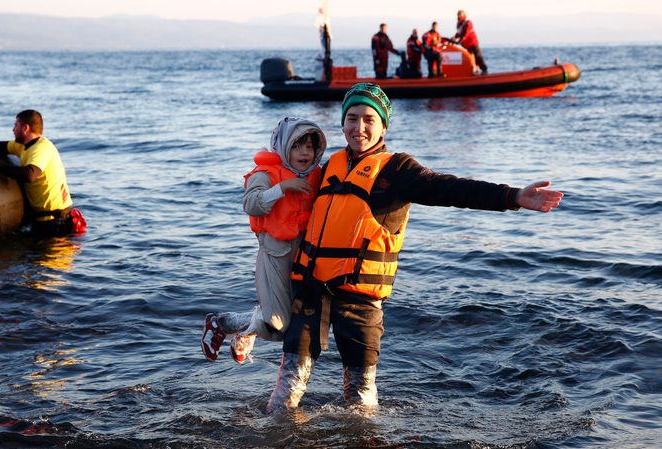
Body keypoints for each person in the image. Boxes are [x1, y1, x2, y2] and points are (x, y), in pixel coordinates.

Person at [266, 83, 563, 412]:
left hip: (360, 298)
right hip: (311, 291)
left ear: (383, 126)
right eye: (351, 118)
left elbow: (451, 189)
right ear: (342, 123)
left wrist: (512, 197)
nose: (359, 127)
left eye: (368, 119)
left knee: (359, 397)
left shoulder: (398, 170)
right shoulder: (326, 168)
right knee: (287, 387)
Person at [201, 117, 327, 364]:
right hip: (274, 254)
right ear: (283, 146)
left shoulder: (316, 174)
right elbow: (251, 204)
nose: (304, 153)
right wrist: (284, 187)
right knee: (277, 323)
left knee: (299, 323)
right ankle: (222, 324)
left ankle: (243, 332)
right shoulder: (265, 174)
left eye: (309, 147)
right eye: (296, 146)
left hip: (304, 257)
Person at [0, 109, 86, 237]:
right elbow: (1, 146)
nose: (13, 129)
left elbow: (30, 175)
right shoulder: (23, 146)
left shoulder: (41, 148)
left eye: (16, 125)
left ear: (25, 128)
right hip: (43, 220)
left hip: (56, 222)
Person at [451, 9, 488, 75]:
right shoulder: (458, 24)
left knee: (478, 55)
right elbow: (459, 33)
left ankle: (484, 69)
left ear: (464, 15)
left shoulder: (468, 23)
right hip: (466, 45)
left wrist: (460, 40)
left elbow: (466, 33)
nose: (458, 16)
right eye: (458, 14)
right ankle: (476, 70)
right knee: (471, 57)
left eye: (460, 14)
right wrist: (454, 38)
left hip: (473, 42)